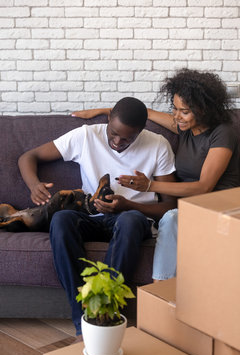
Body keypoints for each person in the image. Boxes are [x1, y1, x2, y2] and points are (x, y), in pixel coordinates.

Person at [18, 96, 176, 340]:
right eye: (113, 134)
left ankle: (107, 312)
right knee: (61, 220)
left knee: (130, 220)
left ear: (140, 132)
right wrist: (34, 185)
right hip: (92, 217)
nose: (117, 142)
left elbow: (170, 206)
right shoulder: (86, 136)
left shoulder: (158, 145)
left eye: (127, 139)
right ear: (108, 119)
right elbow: (28, 157)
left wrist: (128, 205)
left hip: (134, 220)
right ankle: (82, 316)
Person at [73, 68, 240, 283]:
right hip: (191, 210)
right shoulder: (186, 127)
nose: (176, 115)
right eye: (175, 108)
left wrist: (150, 186)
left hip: (219, 208)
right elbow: (147, 113)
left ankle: (161, 287)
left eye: (184, 111)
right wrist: (106, 111)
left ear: (203, 110)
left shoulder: (222, 134)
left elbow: (203, 187)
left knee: (169, 218)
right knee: (172, 217)